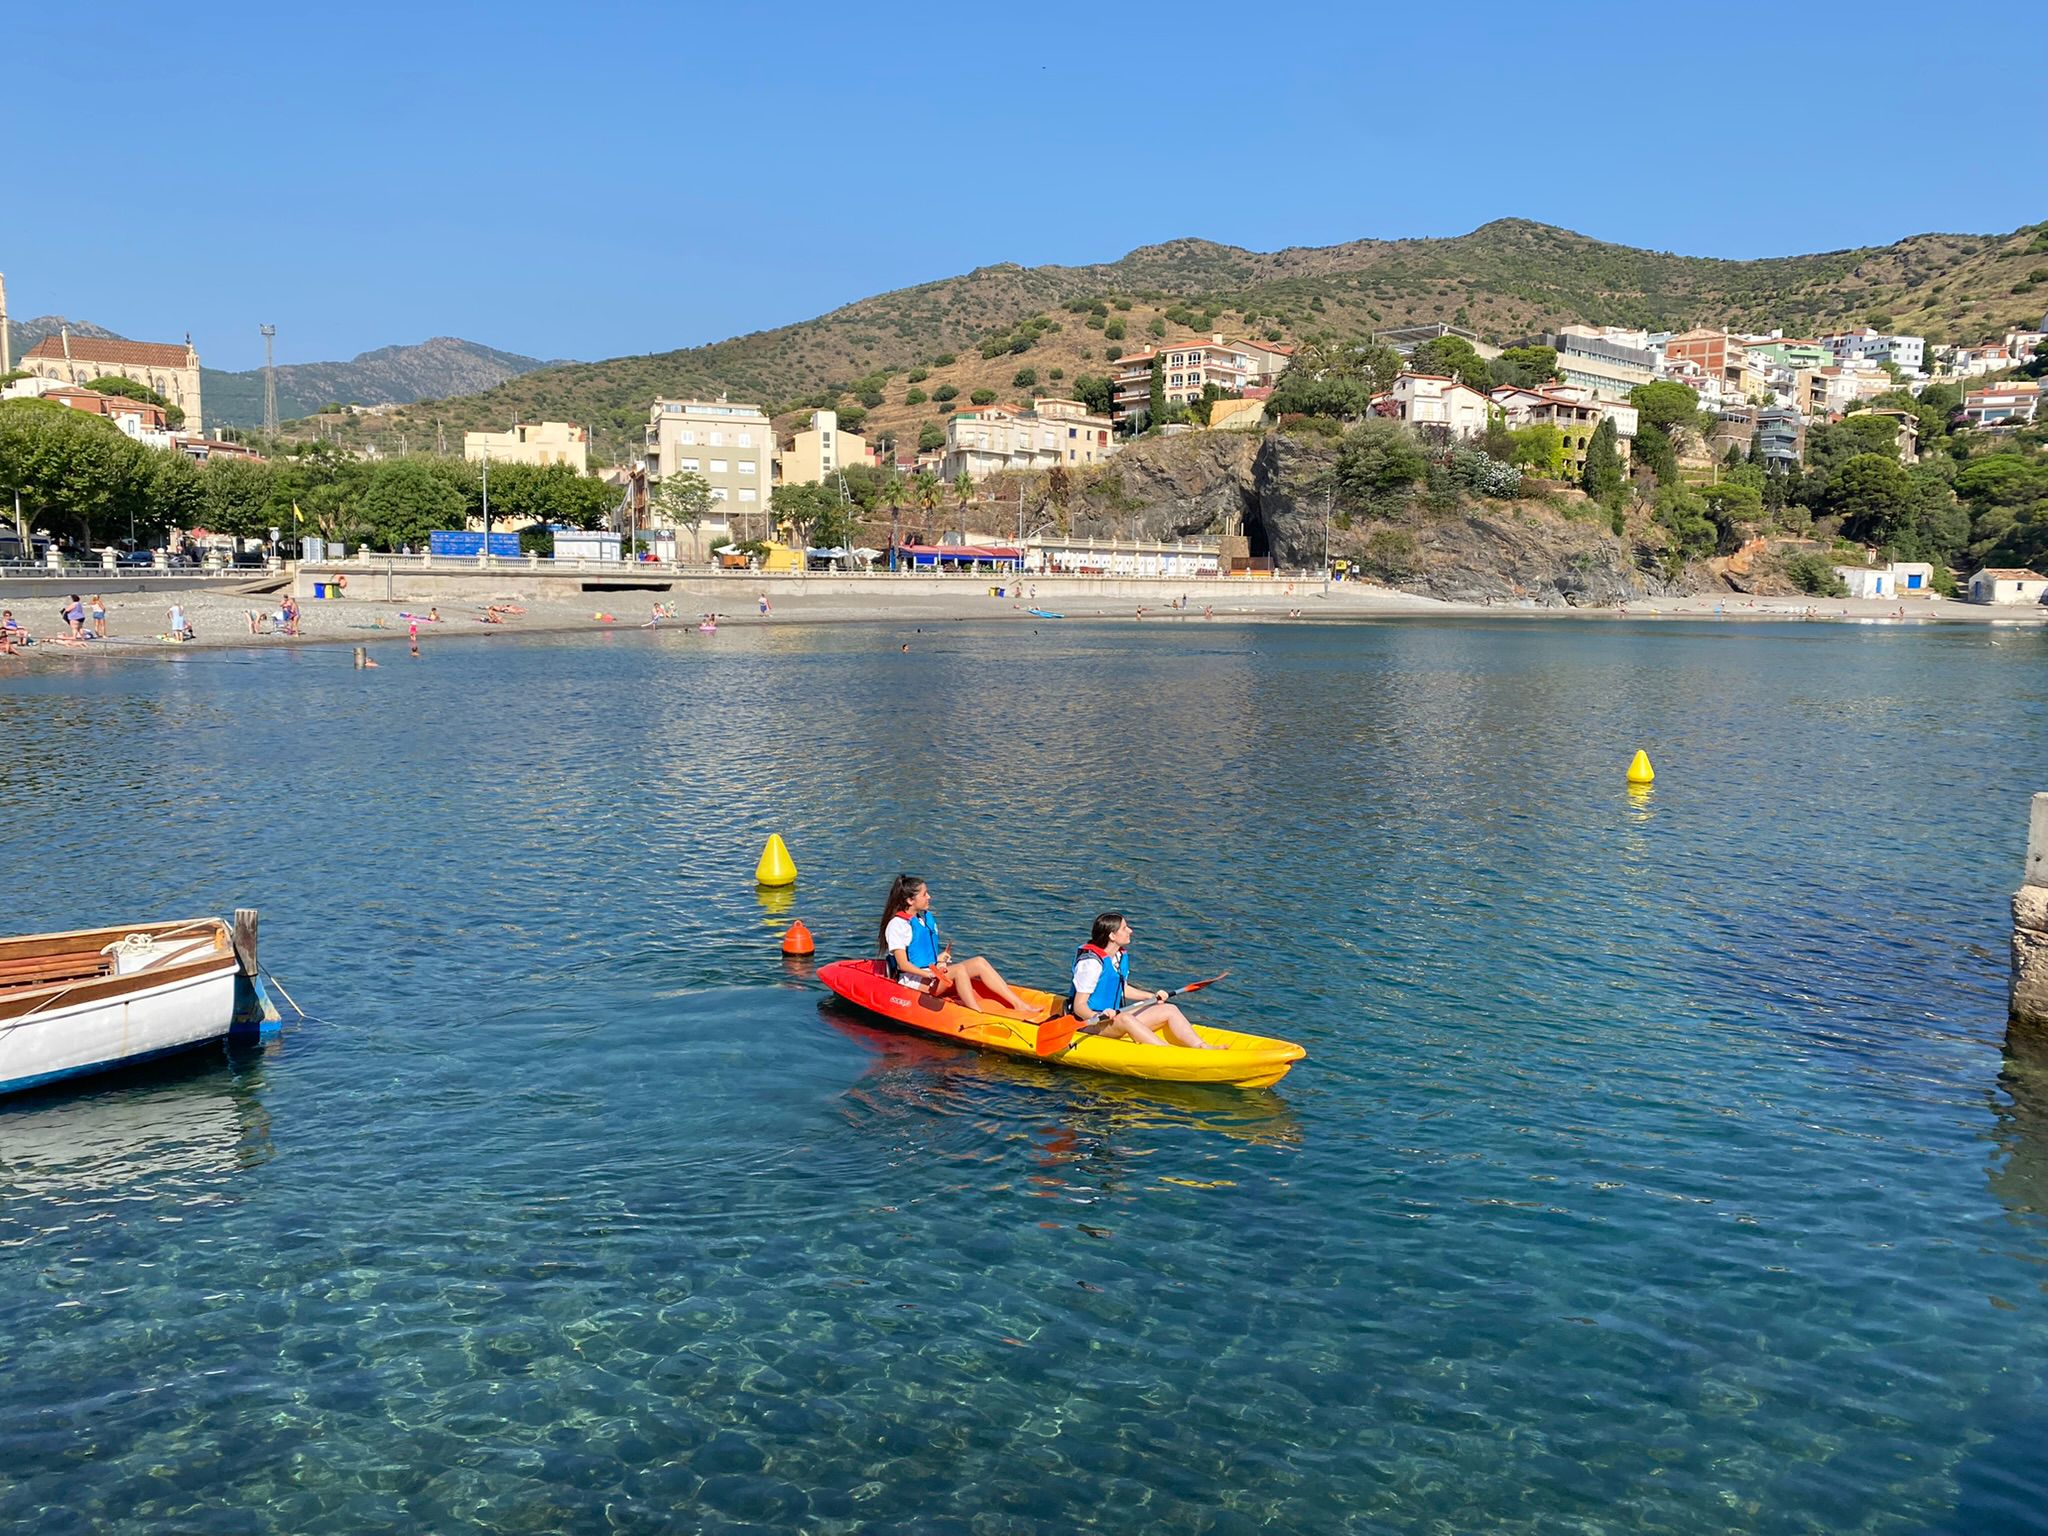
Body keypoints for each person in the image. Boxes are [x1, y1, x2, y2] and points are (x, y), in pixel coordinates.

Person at [878, 874, 1037, 1017]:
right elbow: (903, 965)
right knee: (959, 970)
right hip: (914, 981)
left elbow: (920, 955)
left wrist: (939, 959)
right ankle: (977, 1014)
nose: (929, 897)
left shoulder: (920, 919)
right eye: (924, 894)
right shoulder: (898, 925)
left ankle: (1019, 1004)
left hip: (930, 972)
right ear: (910, 900)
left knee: (979, 962)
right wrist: (930, 974)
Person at [1067, 911, 1218, 1049]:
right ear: (1112, 936)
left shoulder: (1118, 956)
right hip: (1088, 1024)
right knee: (1125, 1018)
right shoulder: (1091, 963)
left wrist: (1151, 997)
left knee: (1169, 1009)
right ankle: (1166, 1051)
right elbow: (1079, 1006)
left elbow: (1122, 988)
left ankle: (1202, 1046)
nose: (1130, 931)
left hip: (1112, 1017)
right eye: (1124, 928)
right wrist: (1097, 1016)